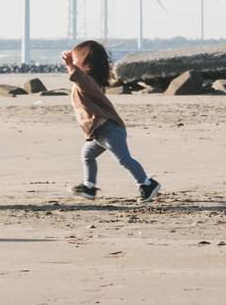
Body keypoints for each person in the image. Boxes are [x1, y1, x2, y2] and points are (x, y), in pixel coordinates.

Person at [62, 40, 160, 201]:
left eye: (75, 60)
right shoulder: (90, 82)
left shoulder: (87, 82)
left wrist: (69, 65)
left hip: (109, 130)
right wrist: (72, 64)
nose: (71, 62)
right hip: (100, 132)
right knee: (87, 154)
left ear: (87, 66)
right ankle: (89, 187)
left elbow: (76, 76)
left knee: (124, 159)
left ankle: (147, 184)